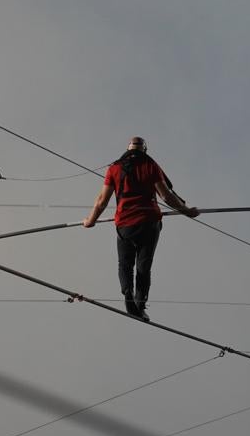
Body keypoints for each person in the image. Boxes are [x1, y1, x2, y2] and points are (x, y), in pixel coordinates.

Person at [83, 137, 198, 321]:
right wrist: (186, 211)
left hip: (125, 224)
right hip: (149, 223)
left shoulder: (114, 168)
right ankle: (140, 303)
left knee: (125, 263)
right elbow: (166, 196)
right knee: (144, 265)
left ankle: (127, 290)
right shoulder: (150, 165)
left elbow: (101, 201)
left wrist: (90, 220)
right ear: (144, 150)